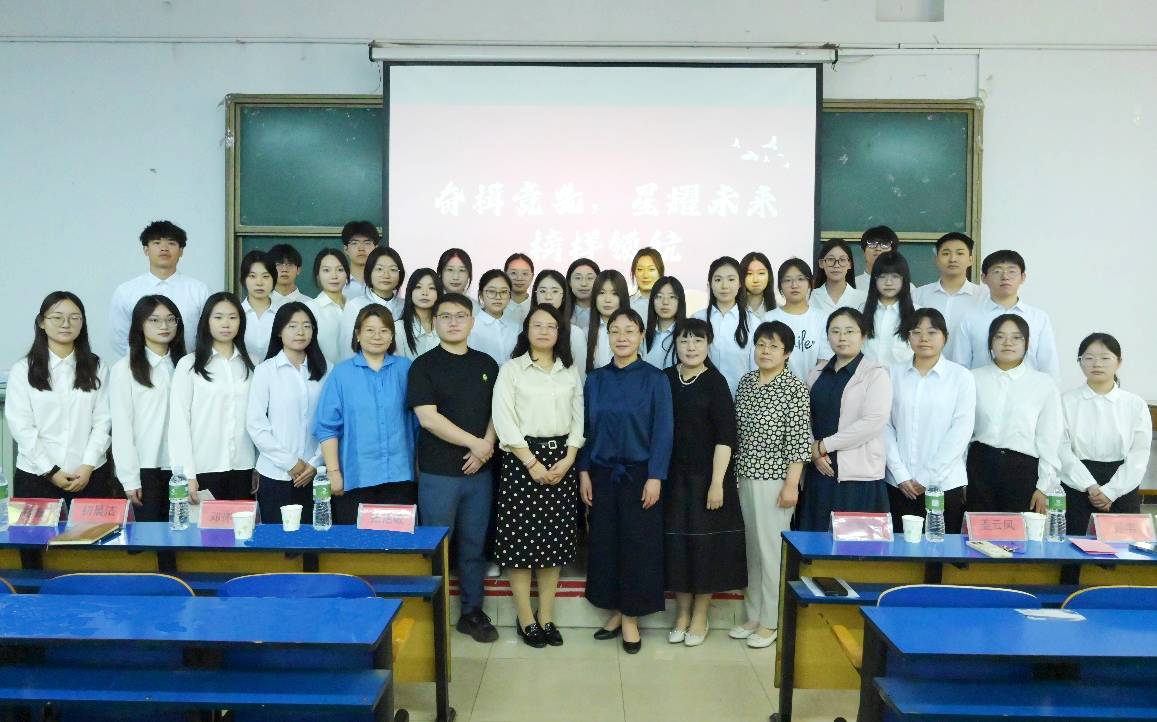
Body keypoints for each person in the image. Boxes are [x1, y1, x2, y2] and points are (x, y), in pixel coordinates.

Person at [408, 293, 500, 643]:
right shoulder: (423, 365)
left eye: (461, 316)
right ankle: (431, 614)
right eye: (445, 316)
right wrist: (474, 443)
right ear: (434, 323)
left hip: (480, 472)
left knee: (474, 547)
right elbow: (428, 418)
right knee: (436, 546)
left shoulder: (487, 364)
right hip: (439, 474)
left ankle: (472, 613)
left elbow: (498, 411)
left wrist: (485, 446)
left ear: (472, 322)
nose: (453, 322)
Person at [492, 304, 585, 648]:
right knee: (520, 544)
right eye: (537, 325)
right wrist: (531, 462)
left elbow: (579, 417)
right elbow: (503, 419)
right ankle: (525, 617)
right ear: (527, 330)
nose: (544, 331)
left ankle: (546, 615)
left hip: (562, 461)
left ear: (559, 333)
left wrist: (570, 456)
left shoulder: (569, 370)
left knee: (554, 544)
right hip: (521, 461)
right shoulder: (512, 370)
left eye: (551, 326)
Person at [581, 308, 674, 654]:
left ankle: (631, 617)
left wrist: (655, 477)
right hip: (601, 474)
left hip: (640, 475)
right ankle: (616, 612)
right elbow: (585, 429)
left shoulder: (655, 379)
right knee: (605, 543)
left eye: (629, 331)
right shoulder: (596, 379)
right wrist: (584, 472)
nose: (622, 337)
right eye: (615, 331)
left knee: (638, 546)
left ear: (641, 336)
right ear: (607, 337)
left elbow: (663, 432)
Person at [662, 319, 745, 648]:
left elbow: (726, 436)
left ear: (708, 345)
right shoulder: (665, 379)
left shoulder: (715, 382)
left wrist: (717, 483)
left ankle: (700, 615)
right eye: (684, 340)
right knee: (677, 547)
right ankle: (682, 613)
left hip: (707, 480)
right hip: (671, 479)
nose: (691, 346)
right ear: (676, 344)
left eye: (698, 340)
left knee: (704, 548)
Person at [731, 320, 811, 649]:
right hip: (743, 476)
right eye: (761, 344)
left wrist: (791, 484)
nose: (766, 351)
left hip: (775, 479)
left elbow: (798, 442)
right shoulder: (747, 382)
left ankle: (772, 620)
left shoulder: (794, 389)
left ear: (787, 353)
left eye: (774, 346)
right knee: (750, 550)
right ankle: (753, 614)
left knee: (771, 551)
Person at [314, 304, 418, 524]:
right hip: (356, 478)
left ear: (392, 335)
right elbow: (327, 427)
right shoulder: (341, 374)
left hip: (401, 476)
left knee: (399, 542)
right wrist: (334, 473)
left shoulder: (406, 369)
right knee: (357, 543)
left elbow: (418, 424)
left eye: (384, 330)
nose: (377, 336)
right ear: (358, 335)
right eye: (370, 330)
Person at [8, 292, 113, 501]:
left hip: (90, 475)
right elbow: (22, 427)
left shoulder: (97, 367)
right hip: (36, 476)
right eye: (57, 317)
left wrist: (88, 465)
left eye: (74, 318)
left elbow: (104, 420)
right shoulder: (23, 370)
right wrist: (51, 470)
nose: (66, 324)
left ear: (82, 323)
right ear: (41, 322)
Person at [797, 308, 893, 531]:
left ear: (864, 335)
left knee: (855, 545)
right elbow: (803, 416)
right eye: (835, 331)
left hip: (857, 477)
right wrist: (813, 451)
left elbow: (873, 422)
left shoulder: (875, 374)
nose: (842, 337)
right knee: (815, 541)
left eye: (850, 331)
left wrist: (823, 446)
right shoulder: (817, 373)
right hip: (819, 470)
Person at [883, 309, 975, 535]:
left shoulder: (961, 376)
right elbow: (884, 426)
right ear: (907, 336)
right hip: (899, 484)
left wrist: (928, 477)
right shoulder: (892, 374)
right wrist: (900, 473)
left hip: (945, 485)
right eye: (916, 332)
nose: (923, 338)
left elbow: (961, 431)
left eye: (932, 332)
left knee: (940, 552)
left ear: (945, 336)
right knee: (900, 550)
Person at [967, 315, 1064, 515]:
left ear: (1026, 343)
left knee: (1018, 531)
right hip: (978, 467)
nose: (1008, 343)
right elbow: (962, 432)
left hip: (1022, 471)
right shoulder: (972, 379)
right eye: (1000, 336)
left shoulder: (1043, 384)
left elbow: (1050, 438)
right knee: (978, 529)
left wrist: (1044, 485)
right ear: (990, 342)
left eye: (1016, 337)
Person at [1058, 333, 1151, 534]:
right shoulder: (1065, 402)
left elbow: (1139, 454)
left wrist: (1111, 491)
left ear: (1119, 362)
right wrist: (1090, 486)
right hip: (1077, 484)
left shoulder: (1135, 404)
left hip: (1123, 486)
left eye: (1105, 358)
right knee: (1075, 546)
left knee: (1122, 547)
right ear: (1080, 362)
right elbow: (1061, 449)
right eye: (1089, 358)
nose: (1097, 364)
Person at [168, 292, 257, 502]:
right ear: (206, 321)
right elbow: (179, 422)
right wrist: (186, 474)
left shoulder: (253, 363)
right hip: (204, 468)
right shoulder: (189, 365)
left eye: (233, 317)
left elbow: (259, 417)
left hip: (244, 466)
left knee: (242, 523)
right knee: (205, 525)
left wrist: (258, 466)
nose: (226, 324)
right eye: (218, 317)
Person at [246, 302, 327, 524]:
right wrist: (291, 463)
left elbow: (332, 422)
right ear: (279, 331)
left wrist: (316, 462)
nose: (300, 332)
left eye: (307, 326)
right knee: (278, 541)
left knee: (314, 539)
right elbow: (256, 425)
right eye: (292, 326)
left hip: (316, 474)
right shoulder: (266, 371)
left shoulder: (326, 370)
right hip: (275, 474)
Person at [110, 295, 186, 520]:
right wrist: (129, 478)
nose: (164, 326)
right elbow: (122, 426)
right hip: (146, 468)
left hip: (183, 467)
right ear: (140, 324)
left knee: (184, 534)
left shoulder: (186, 364)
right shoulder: (125, 369)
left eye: (171, 319)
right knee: (149, 536)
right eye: (155, 320)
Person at [945, 250, 1061, 381]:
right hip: (983, 390)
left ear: (1022, 277)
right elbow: (961, 367)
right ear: (983, 278)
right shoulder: (971, 319)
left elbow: (1048, 365)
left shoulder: (1038, 318)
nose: (1005, 277)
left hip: (1028, 391)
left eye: (1012, 271)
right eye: (997, 271)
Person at [109, 220, 208, 359]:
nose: (164, 248)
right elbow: (119, 339)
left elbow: (207, 334)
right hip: (142, 367)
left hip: (187, 365)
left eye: (171, 243)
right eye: (157, 243)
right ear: (146, 250)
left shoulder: (199, 290)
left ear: (181, 251)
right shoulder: (126, 291)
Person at [692, 257, 759, 396]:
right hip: (702, 399)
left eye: (731, 279)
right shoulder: (697, 319)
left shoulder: (753, 322)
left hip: (741, 400)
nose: (724, 286)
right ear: (710, 284)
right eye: (718, 280)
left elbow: (756, 369)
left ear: (740, 283)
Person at [762, 259, 833, 382]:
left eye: (800, 279)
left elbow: (824, 361)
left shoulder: (822, 319)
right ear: (780, 285)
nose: (794, 285)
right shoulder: (768, 319)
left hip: (812, 389)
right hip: (773, 390)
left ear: (810, 283)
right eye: (787, 280)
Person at [912, 232, 988, 338]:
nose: (952, 259)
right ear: (937, 260)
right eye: (946, 254)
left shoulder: (984, 297)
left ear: (970, 260)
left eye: (960, 253)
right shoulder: (918, 295)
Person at [339, 246, 405, 360]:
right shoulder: (355, 306)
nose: (386, 275)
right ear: (369, 272)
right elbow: (348, 352)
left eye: (393, 270)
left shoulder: (405, 306)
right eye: (379, 269)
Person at [861, 251, 920, 367]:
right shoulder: (860, 311)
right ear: (874, 280)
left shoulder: (917, 314)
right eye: (882, 276)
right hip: (865, 376)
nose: (888, 283)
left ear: (904, 279)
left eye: (895, 276)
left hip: (903, 377)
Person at [532, 269, 587, 384]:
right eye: (542, 291)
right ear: (535, 295)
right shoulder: (527, 330)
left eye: (555, 291)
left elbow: (580, 378)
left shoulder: (575, 334)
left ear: (563, 296)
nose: (548, 296)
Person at [306, 248, 349, 366]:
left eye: (340, 270)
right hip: (322, 374)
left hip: (354, 375)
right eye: (326, 270)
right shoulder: (310, 309)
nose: (334, 276)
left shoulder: (356, 308)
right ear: (318, 275)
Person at [468, 269, 519, 366]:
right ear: (481, 295)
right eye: (491, 291)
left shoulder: (516, 328)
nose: (498, 297)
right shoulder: (470, 326)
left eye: (503, 292)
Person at [584, 269, 629, 374]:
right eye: (602, 293)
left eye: (614, 293)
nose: (607, 299)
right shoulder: (586, 333)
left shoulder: (634, 332)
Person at [239, 250, 280, 363]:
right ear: (244, 279)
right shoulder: (235, 314)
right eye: (252, 276)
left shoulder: (283, 315)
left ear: (274, 279)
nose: (259, 283)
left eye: (265, 276)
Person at [811, 238, 867, 316]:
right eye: (831, 259)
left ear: (849, 264)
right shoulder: (810, 297)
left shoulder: (863, 299)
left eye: (842, 260)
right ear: (821, 263)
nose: (836, 265)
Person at [395, 268, 442, 360]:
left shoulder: (446, 327)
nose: (425, 293)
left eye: (431, 288)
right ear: (410, 291)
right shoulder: (398, 329)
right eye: (418, 287)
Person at [643, 276, 686, 369]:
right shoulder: (642, 335)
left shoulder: (687, 335)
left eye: (672, 297)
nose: (665, 302)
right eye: (659, 296)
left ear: (680, 301)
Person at [340, 220, 379, 299]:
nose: (361, 248)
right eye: (354, 243)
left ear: (376, 248)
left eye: (367, 243)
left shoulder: (384, 281)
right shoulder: (337, 282)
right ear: (346, 249)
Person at [628, 247, 664, 318]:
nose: (645, 275)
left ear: (660, 272)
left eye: (651, 269)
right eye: (640, 269)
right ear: (634, 272)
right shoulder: (626, 304)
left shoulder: (669, 303)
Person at [567, 258, 600, 331]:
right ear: (569, 282)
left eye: (590, 278)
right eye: (578, 278)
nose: (584, 284)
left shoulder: (605, 312)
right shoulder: (562, 312)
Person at [503, 253, 535, 326]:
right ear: (505, 275)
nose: (519, 278)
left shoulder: (537, 309)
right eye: (513, 273)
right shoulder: (496, 308)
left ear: (532, 277)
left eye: (525, 273)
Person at [741, 251, 777, 317]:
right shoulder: (733, 310)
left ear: (769, 276)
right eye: (749, 274)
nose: (755, 280)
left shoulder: (778, 310)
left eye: (761, 273)